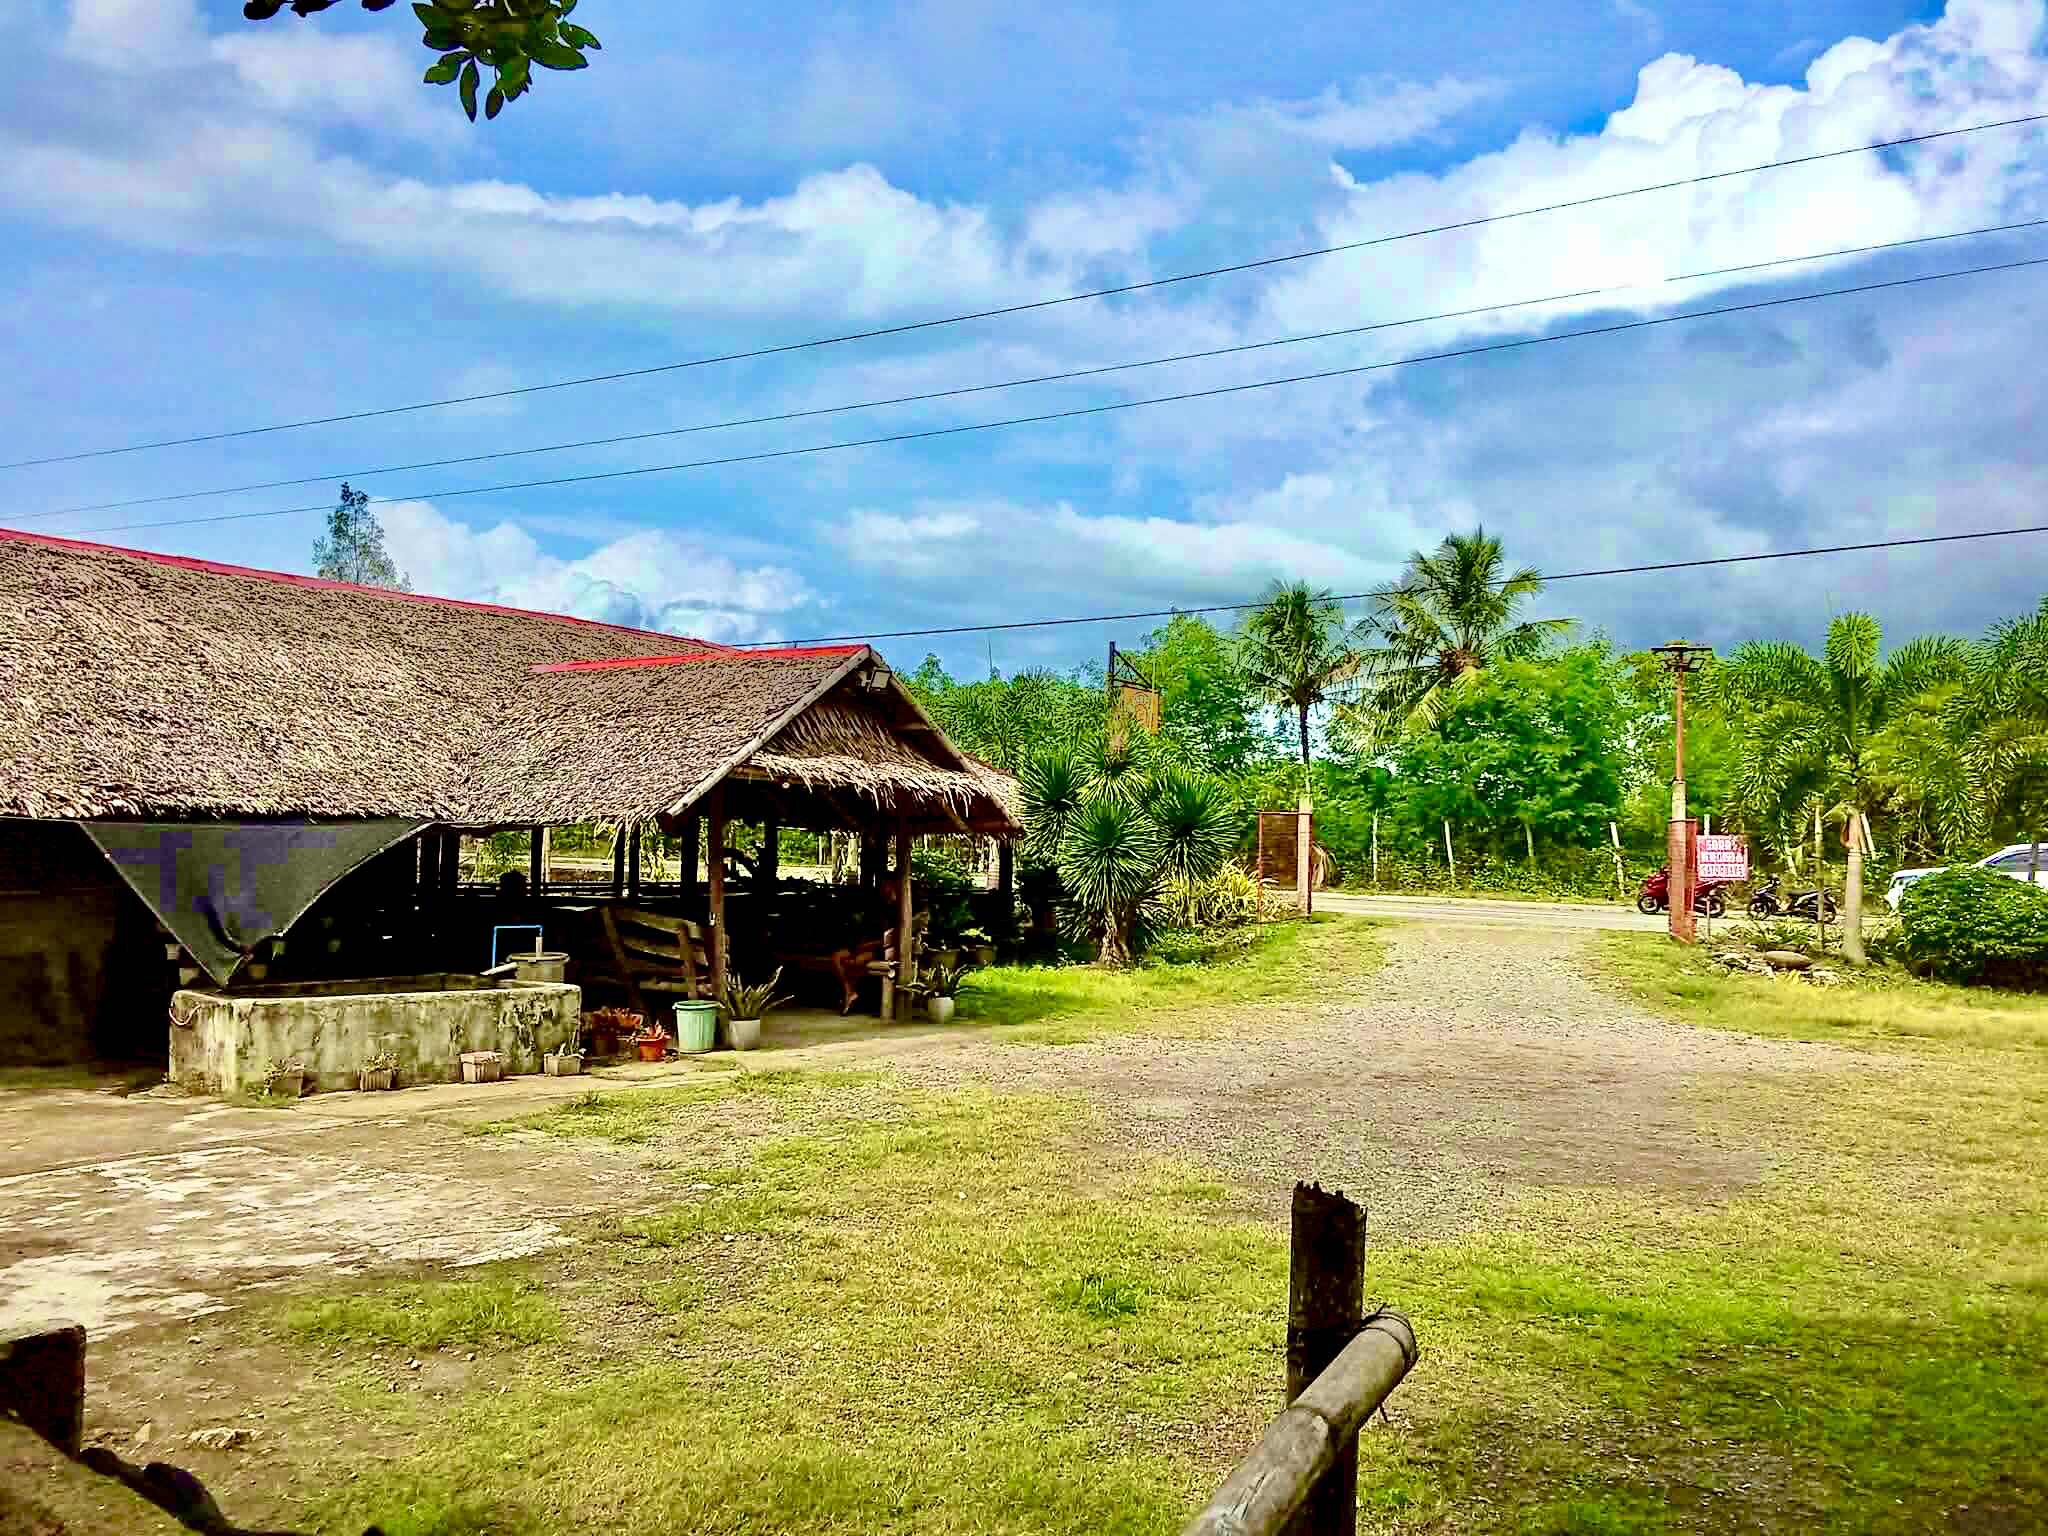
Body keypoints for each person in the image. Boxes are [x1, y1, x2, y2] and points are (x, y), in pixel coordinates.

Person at [828, 875, 925, 1015]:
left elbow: (888, 939)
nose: (883, 889)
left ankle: (853, 996)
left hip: (880, 948)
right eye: (882, 886)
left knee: (857, 961)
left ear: (893, 886)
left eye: (886, 886)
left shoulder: (900, 909)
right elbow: (867, 927)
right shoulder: (879, 905)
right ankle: (849, 991)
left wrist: (868, 945)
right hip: (862, 943)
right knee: (836, 957)